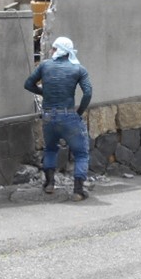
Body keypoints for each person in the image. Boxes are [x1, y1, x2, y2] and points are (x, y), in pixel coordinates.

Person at [24, 36, 92, 201]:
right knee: (81, 153)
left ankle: (49, 184)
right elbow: (88, 93)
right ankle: (78, 191)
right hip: (69, 115)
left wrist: (45, 92)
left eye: (53, 48)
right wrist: (79, 112)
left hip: (48, 116)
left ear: (58, 50)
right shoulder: (79, 69)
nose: (51, 51)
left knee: (50, 149)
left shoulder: (45, 65)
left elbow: (28, 84)